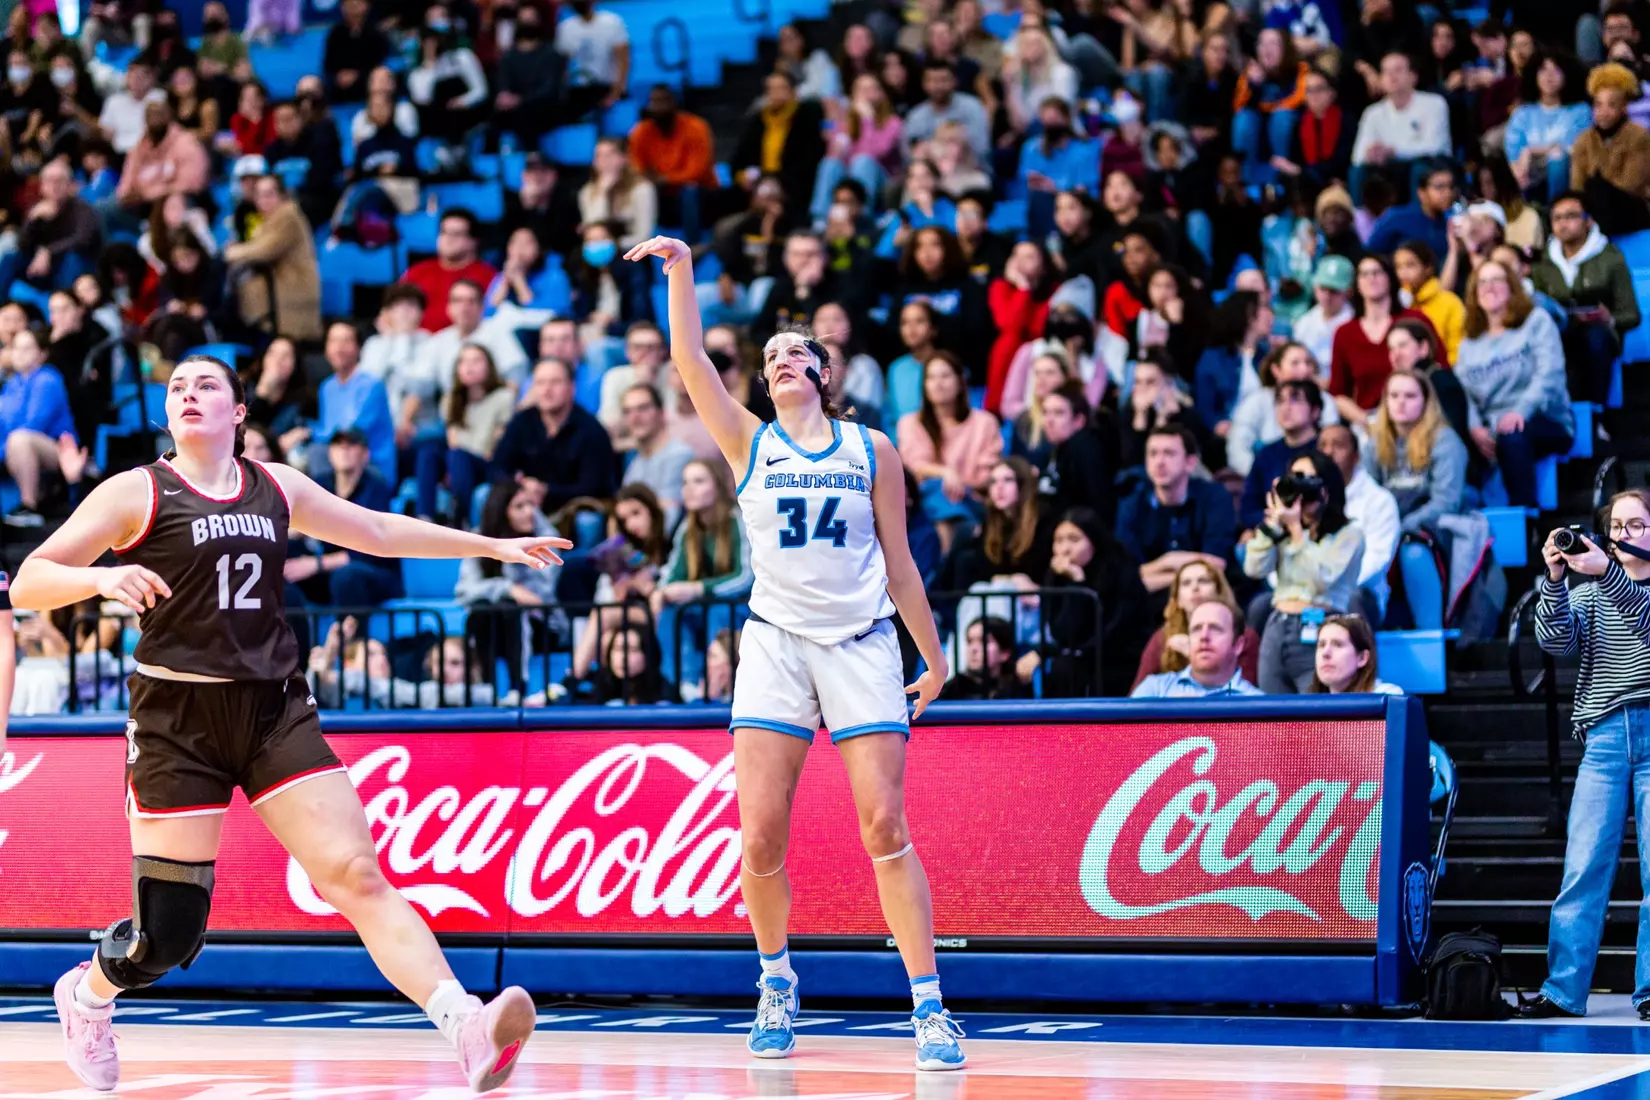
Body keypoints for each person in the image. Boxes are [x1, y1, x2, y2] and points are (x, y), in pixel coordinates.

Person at [18, 354, 565, 1094]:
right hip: (178, 721)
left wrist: (490, 546)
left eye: (206, 384)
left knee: (357, 874)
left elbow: (375, 530)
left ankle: (465, 1025)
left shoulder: (276, 485)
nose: (188, 394)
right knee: (167, 935)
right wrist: (101, 576)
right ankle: (86, 998)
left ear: (239, 410)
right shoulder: (136, 490)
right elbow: (31, 580)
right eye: (177, 387)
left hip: (273, 709)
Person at [623, 233, 963, 1068]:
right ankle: (776, 979)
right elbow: (689, 359)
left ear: (823, 372)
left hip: (861, 642)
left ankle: (929, 1006)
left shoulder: (871, 449)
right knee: (759, 839)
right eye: (770, 354)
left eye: (794, 351)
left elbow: (901, 564)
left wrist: (935, 658)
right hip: (776, 644)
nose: (779, 359)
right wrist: (683, 271)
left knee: (885, 824)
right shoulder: (749, 442)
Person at [1523, 491, 1650, 1019]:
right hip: (1603, 738)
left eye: (1637, 524)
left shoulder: (1614, 585)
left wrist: (1607, 573)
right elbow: (1555, 642)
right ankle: (1563, 990)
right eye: (1617, 525)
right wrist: (1555, 580)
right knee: (1582, 868)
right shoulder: (1591, 592)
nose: (1624, 534)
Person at [1243, 449, 1366, 694]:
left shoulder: (1349, 534)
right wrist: (1272, 525)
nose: (1301, 488)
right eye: (1295, 478)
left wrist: (1297, 532)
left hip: (1323, 629)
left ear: (1327, 489)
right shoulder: (1284, 531)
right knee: (1273, 712)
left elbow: (1322, 579)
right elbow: (1254, 568)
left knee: (1315, 709)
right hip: (1277, 626)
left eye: (1309, 479)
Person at [1455, 259, 1574, 508]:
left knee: (1512, 435)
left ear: (1512, 286)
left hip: (1543, 418)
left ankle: (1526, 517)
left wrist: (1521, 411)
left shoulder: (1536, 321)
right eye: (1482, 282)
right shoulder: (1468, 343)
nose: (1489, 287)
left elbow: (1549, 374)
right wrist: (1474, 427)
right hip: (1490, 427)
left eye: (1496, 280)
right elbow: (1462, 393)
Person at [1530, 191, 1642, 407]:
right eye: (1557, 218)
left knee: (1594, 338)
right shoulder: (1543, 263)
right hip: (1558, 331)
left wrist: (1609, 319)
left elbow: (1632, 314)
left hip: (1600, 333)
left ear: (1588, 221)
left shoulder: (1611, 258)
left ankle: (1597, 410)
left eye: (1571, 216)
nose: (1563, 224)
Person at [455, 480, 563, 694]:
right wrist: (507, 587)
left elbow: (539, 595)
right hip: (495, 624)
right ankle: (487, 689)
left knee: (509, 607)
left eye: (531, 504)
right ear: (501, 511)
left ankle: (518, 687)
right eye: (519, 506)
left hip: (541, 625)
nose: (529, 512)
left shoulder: (544, 540)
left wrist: (513, 567)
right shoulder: (481, 540)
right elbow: (464, 591)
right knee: (481, 611)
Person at [1033, 505, 1148, 697]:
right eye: (1059, 541)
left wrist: (1082, 651)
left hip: (1119, 658)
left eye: (1074, 539)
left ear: (1094, 541)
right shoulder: (1056, 576)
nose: (1065, 549)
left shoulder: (1120, 569)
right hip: (1080, 660)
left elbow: (1119, 628)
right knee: (1062, 669)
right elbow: (1063, 633)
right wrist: (1076, 582)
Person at [1115, 424, 1236, 602]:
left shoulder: (1215, 498)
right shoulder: (1131, 505)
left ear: (1190, 463)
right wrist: (1168, 561)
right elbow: (1129, 575)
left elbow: (1216, 565)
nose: (1159, 462)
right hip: (1149, 602)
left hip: (1207, 597)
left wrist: (1159, 569)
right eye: (1153, 454)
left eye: (1169, 454)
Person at [896, 351, 1001, 544]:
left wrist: (956, 483)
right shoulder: (909, 423)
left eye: (945, 376)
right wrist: (946, 473)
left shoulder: (985, 423)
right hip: (924, 504)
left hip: (971, 500)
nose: (938, 383)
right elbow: (913, 467)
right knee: (935, 490)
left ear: (960, 382)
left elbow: (987, 477)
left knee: (939, 493)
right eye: (931, 377)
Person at [494, 358, 617, 517]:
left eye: (555, 382)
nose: (547, 390)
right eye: (540, 383)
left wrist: (546, 491)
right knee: (485, 494)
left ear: (571, 387)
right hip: (524, 500)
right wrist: (519, 485)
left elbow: (592, 487)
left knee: (587, 519)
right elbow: (496, 467)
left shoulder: (591, 430)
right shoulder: (521, 421)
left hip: (571, 509)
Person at [1329, 253, 1437, 427]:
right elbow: (1338, 393)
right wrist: (1368, 422)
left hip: (1419, 416)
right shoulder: (1344, 333)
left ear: (1390, 278)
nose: (1371, 278)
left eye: (1377, 272)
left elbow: (1440, 368)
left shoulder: (1415, 320)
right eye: (1364, 274)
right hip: (1368, 421)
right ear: (1356, 284)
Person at [1365, 367, 1469, 534]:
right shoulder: (1374, 443)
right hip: (1386, 528)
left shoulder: (1446, 441)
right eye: (1394, 395)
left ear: (1426, 402)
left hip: (1432, 531)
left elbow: (1446, 503)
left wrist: (1401, 528)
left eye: (1410, 396)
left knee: (1413, 550)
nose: (1401, 402)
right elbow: (1366, 495)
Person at [1133, 559, 1262, 690]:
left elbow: (1244, 692)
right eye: (1186, 583)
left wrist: (1193, 655)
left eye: (1203, 581)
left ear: (1219, 592)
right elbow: (1137, 695)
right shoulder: (1163, 637)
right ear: (1177, 599)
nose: (1195, 588)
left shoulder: (1244, 636)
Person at [223, 174, 321, 342]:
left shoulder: (288, 215)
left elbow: (264, 250)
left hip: (294, 291)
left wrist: (231, 252)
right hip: (278, 289)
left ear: (282, 195)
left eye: (269, 194)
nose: (263, 200)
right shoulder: (270, 220)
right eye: (259, 195)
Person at [1319, 424, 1400, 621]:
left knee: (1350, 601)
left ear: (1356, 457)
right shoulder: (1307, 498)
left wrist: (1332, 586)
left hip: (1360, 591)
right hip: (1307, 591)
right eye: (1323, 446)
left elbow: (1377, 559)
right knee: (1263, 605)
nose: (1328, 452)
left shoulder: (1379, 500)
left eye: (1338, 445)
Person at [0, 324, 76, 528]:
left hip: (60, 452)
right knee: (15, 441)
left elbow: (34, 425)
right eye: (16, 348)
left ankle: (29, 506)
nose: (19, 354)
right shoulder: (11, 384)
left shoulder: (48, 379)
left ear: (42, 354)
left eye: (27, 348)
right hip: (13, 448)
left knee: (19, 440)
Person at [1349, 51, 1452, 201]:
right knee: (1358, 172)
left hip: (1427, 165)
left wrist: (1394, 151)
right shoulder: (1372, 112)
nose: (1392, 76)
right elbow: (1357, 157)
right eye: (1386, 72)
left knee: (1419, 169)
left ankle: (1419, 214)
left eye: (1398, 70)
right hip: (1389, 169)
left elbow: (1434, 147)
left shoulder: (1434, 104)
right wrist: (1371, 153)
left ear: (1413, 76)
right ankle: (1361, 216)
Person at [1227, 342, 1341, 478]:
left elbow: (1333, 441)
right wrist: (1261, 474)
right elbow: (1238, 448)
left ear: (1315, 411)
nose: (1304, 369)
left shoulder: (1325, 401)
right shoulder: (1256, 401)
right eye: (1295, 363)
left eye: (1308, 363)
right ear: (1276, 370)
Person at [1569, 62, 1650, 237]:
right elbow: (1577, 186)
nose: (1603, 112)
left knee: (1597, 187)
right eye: (1598, 105)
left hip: (1631, 208)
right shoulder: (1583, 139)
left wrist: (1601, 188)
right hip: (1593, 208)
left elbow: (1632, 185)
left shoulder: (1639, 136)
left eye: (1611, 105)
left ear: (1624, 107)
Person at [1130, 598, 1264, 697]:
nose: (1204, 636)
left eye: (1215, 629)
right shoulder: (1154, 689)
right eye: (1196, 629)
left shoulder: (1256, 703)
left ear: (1238, 645)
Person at [1239, 379, 1324, 532]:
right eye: (1280, 401)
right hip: (1275, 529)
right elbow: (1248, 510)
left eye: (1295, 400)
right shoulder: (1266, 454)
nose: (1286, 408)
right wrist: (1274, 520)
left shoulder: (1325, 449)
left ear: (1315, 411)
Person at [402, 211, 499, 333]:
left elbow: (491, 319)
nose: (448, 239)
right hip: (417, 338)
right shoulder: (417, 272)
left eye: (456, 234)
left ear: (473, 241)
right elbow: (392, 309)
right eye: (444, 232)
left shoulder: (488, 276)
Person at [620, 382, 695, 525]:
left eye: (643, 408)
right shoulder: (635, 462)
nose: (635, 417)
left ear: (661, 412)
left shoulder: (679, 455)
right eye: (627, 411)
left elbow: (667, 522)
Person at [1365, 162, 1457, 259]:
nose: (1448, 193)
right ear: (1422, 192)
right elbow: (1371, 253)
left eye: (1451, 187)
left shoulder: (1453, 221)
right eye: (1440, 187)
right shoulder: (1396, 217)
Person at [1394, 239, 1465, 364]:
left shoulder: (1449, 302)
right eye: (1398, 267)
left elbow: (1458, 350)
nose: (1402, 273)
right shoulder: (1396, 304)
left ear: (1428, 268)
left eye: (1410, 265)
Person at [940, 616, 1031, 700]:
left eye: (983, 641)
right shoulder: (952, 689)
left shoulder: (1017, 688)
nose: (973, 649)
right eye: (970, 641)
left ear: (1005, 653)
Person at [1292, 255, 1355, 376]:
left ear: (1348, 292)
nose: (1327, 296)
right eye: (1322, 289)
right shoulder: (1305, 321)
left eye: (1334, 291)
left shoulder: (1355, 324)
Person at [1308, 614, 1403, 693]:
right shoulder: (1307, 704)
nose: (1325, 653)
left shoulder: (1388, 696)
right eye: (1321, 645)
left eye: (1338, 644)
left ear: (1362, 658)